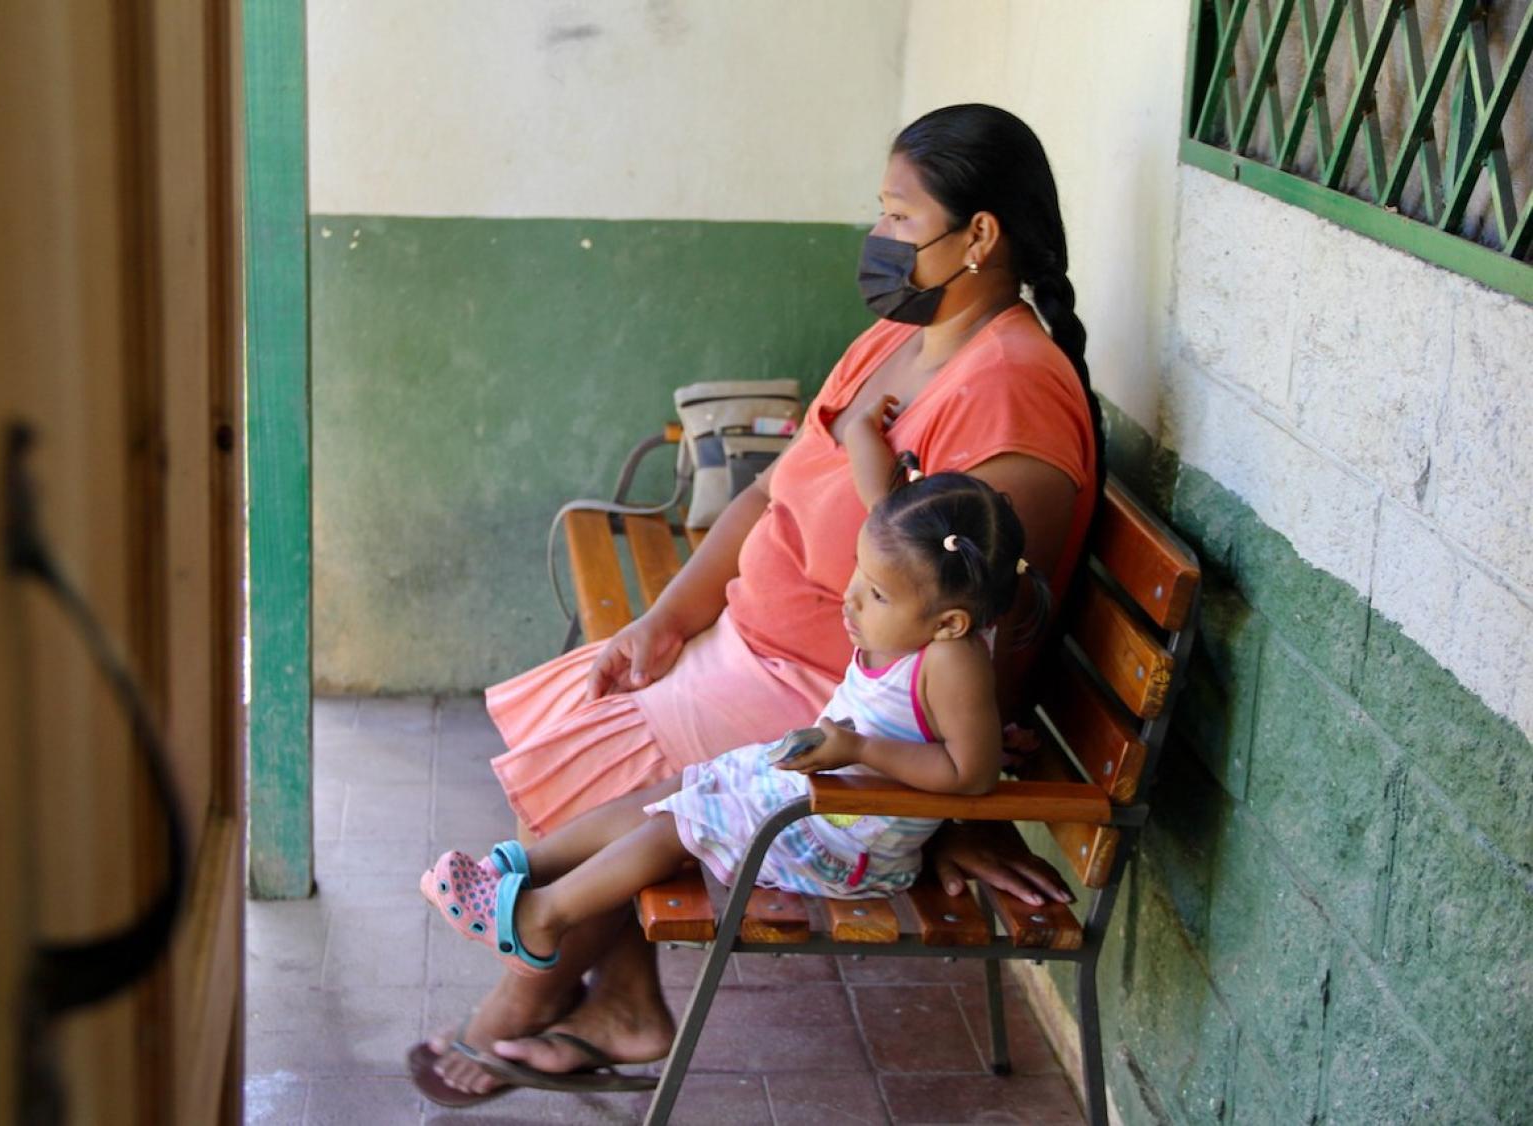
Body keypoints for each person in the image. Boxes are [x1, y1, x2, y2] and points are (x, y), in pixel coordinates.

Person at [409, 102, 1105, 1104]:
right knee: (590, 700)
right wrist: (667, 618)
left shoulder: (1011, 392)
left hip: (823, 691)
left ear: (980, 234)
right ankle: (623, 1001)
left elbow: (973, 636)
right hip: (750, 641)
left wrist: (951, 806)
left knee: (604, 768)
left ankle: (524, 1001)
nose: (880, 241)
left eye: (899, 219)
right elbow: (768, 495)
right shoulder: (892, 340)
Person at [423, 473, 1048, 987]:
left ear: (951, 623)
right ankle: (523, 866)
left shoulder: (952, 664)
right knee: (672, 788)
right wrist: (858, 426)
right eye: (859, 575)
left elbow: (971, 775)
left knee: (678, 826)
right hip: (825, 802)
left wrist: (858, 748)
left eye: (877, 595)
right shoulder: (927, 625)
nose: (851, 600)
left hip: (851, 844)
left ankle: (541, 920)